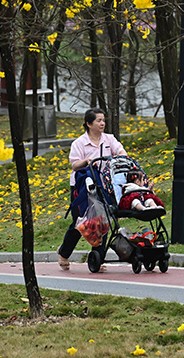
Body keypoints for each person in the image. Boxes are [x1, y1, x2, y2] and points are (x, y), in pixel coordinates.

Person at [57, 107, 127, 270]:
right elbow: (75, 165)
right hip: (82, 186)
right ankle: (64, 252)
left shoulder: (109, 139)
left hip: (103, 185)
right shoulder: (80, 143)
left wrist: (122, 156)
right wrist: (87, 161)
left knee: (103, 220)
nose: (102, 123)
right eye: (99, 120)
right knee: (80, 221)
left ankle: (98, 258)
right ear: (89, 124)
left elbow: (120, 151)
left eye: (103, 120)